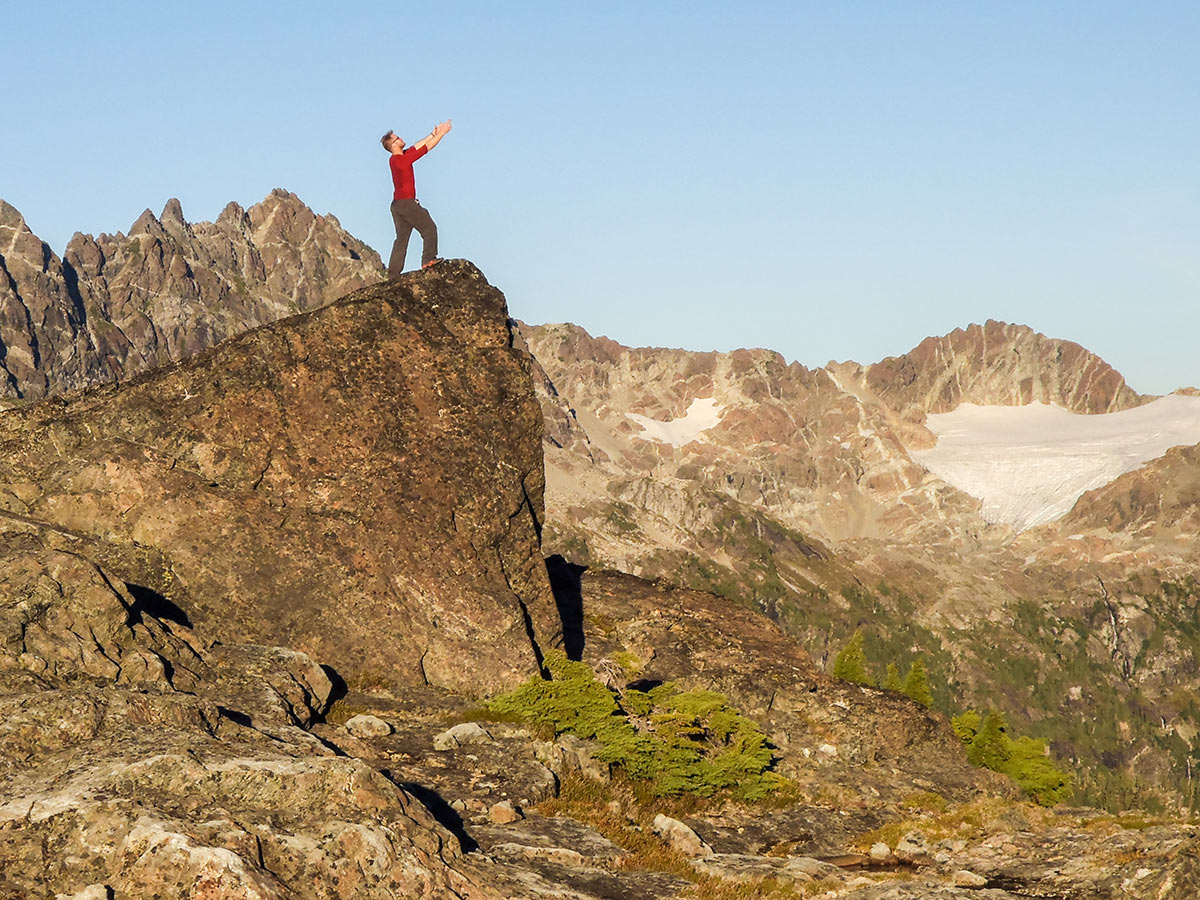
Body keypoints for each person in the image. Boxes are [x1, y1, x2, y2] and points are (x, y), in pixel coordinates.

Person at [381, 119, 452, 278]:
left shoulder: (397, 159)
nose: (400, 138)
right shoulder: (401, 161)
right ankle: (428, 260)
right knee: (429, 228)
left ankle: (393, 275)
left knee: (401, 240)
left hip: (397, 205)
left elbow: (417, 146)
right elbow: (427, 148)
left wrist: (432, 134)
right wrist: (442, 133)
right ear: (393, 145)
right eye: (397, 139)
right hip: (406, 203)